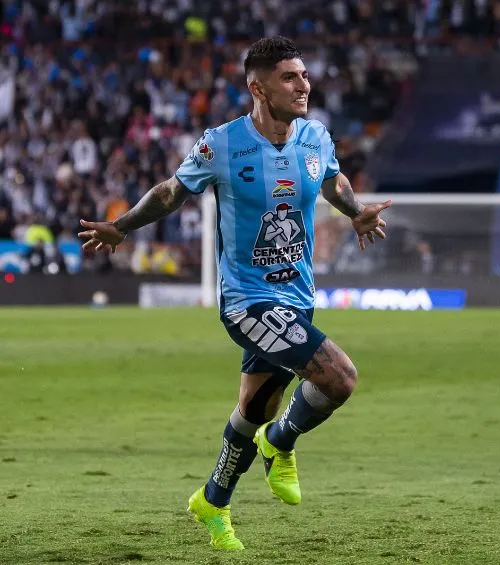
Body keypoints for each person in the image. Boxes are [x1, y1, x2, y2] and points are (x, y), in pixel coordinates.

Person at [78, 37, 391, 551]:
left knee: (254, 407)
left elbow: (332, 181)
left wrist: (355, 210)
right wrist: (122, 226)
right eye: (290, 77)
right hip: (246, 301)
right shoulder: (221, 144)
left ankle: (213, 500)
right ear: (257, 87)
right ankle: (282, 441)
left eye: (304, 75)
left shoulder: (315, 136)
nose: (303, 85)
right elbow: (170, 192)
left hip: (298, 295)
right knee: (340, 378)